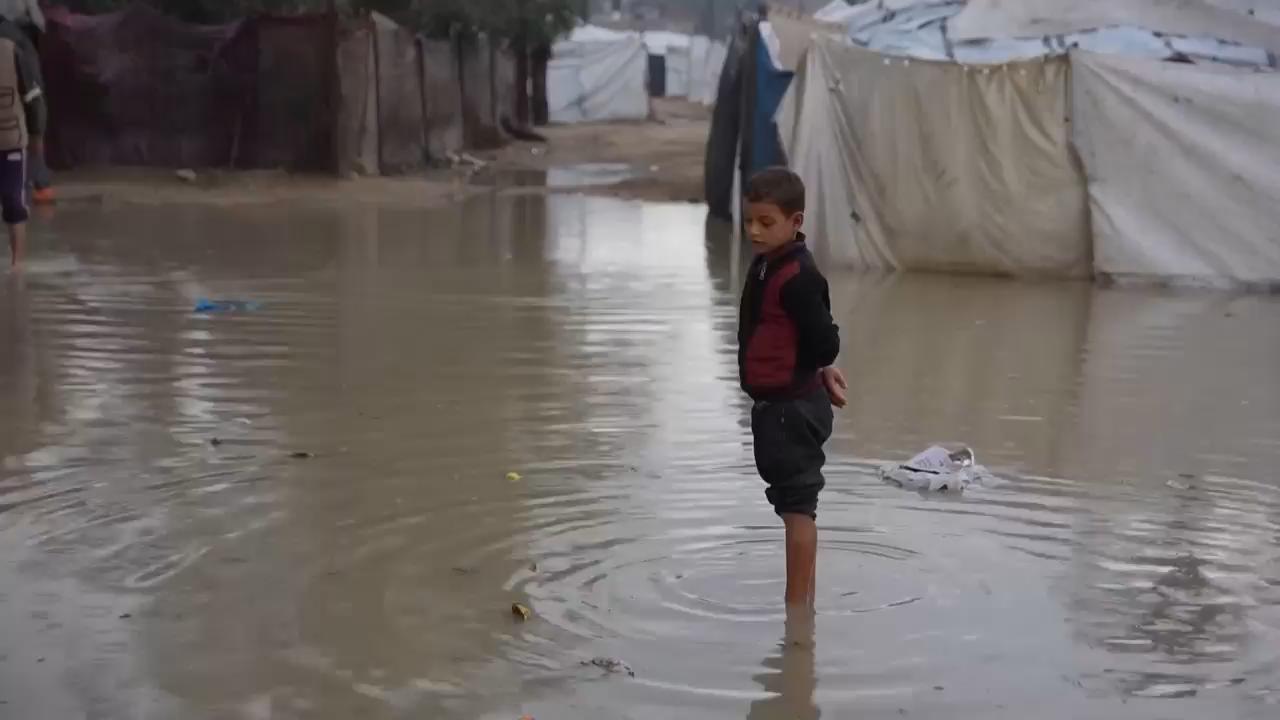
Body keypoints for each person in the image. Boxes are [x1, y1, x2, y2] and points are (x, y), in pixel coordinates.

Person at [738, 167, 847, 608]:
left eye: (766, 223)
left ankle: (797, 613)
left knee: (798, 509)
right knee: (791, 506)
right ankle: (802, 601)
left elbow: (825, 338)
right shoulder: (769, 264)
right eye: (749, 221)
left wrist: (823, 366)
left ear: (795, 221)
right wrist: (820, 369)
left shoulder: (799, 277)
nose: (754, 231)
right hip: (781, 406)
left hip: (793, 410)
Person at [0, 15, 45, 268]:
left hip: (10, 141)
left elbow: (33, 99)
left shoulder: (13, 49)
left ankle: (17, 267)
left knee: (14, 203)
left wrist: (37, 134)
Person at [0, 0, 50, 204]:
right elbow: (40, 24)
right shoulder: (20, 43)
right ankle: (39, 184)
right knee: (34, 108)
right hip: (17, 43)